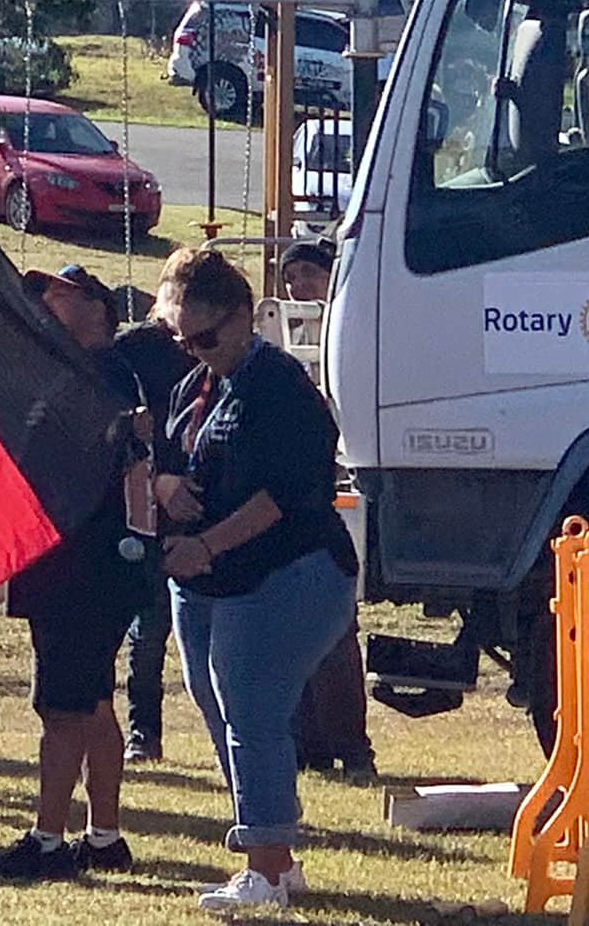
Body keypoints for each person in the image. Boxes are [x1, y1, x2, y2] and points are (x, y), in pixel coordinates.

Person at [155, 250, 359, 912]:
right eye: (181, 339)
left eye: (205, 337)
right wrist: (166, 485)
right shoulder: (195, 387)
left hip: (288, 571)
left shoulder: (279, 386)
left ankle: (265, 871)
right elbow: (170, 456)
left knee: (251, 707)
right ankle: (279, 860)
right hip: (208, 580)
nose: (194, 351)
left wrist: (206, 544)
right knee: (218, 706)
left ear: (244, 317)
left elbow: (284, 496)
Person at [0, 266, 146, 881]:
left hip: (84, 563)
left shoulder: (99, 374)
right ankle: (104, 836)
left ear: (99, 307)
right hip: (72, 562)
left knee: (63, 708)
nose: (48, 302)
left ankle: (47, 839)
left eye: (63, 294)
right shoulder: (72, 372)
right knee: (92, 702)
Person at [279, 240, 374, 779]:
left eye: (308, 274)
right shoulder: (281, 344)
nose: (299, 286)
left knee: (335, 636)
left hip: (331, 511)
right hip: (289, 510)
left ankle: (353, 748)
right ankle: (306, 744)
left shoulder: (350, 332)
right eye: (290, 277)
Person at [112, 257, 200, 766]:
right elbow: (118, 414)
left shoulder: (211, 348)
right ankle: (143, 732)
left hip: (202, 501)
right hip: (148, 504)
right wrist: (158, 475)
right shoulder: (136, 347)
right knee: (148, 629)